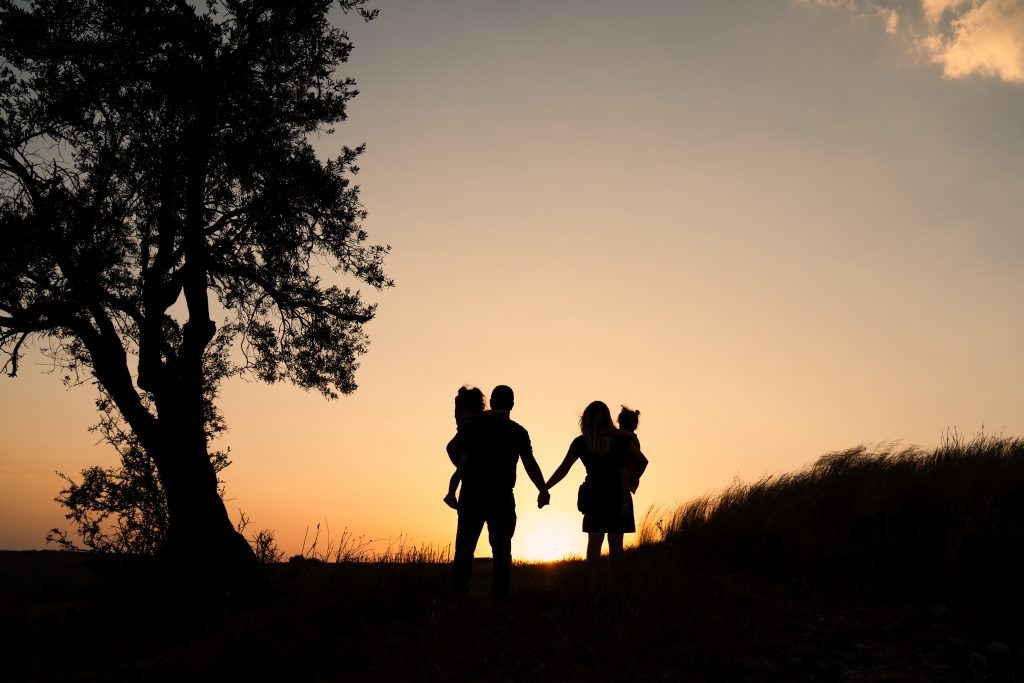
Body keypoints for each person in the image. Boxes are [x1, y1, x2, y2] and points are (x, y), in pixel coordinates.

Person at [451, 385, 550, 598]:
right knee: (502, 547)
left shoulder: (474, 426)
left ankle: (459, 591)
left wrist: (463, 467)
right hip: (501, 495)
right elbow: (530, 464)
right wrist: (542, 489)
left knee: (465, 546)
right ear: (512, 405)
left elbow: (451, 448)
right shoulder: (518, 432)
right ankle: (500, 593)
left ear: (491, 403)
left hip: (472, 493)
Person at [545, 400, 643, 588]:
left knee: (594, 543)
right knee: (616, 545)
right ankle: (615, 590)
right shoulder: (620, 440)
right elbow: (642, 460)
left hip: (594, 495)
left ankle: (594, 588)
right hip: (619, 495)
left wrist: (545, 487)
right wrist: (631, 478)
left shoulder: (581, 442)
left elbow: (563, 469)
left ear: (587, 420)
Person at [443, 386, 486, 509]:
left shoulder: (470, 420)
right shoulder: (471, 420)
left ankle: (451, 494)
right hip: (465, 440)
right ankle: (450, 494)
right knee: (461, 468)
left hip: (464, 440)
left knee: (461, 468)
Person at [617, 406, 648, 494]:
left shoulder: (626, 439)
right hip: (629, 477)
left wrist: (633, 476)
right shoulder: (633, 439)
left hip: (626, 477)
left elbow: (643, 462)